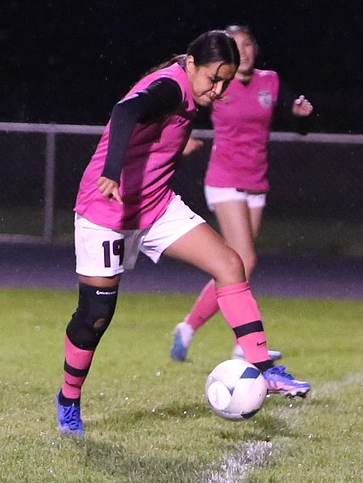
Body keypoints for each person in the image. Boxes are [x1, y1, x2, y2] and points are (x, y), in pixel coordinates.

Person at [56, 30, 310, 437]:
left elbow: (155, 127)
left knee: (231, 264)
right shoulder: (171, 87)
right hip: (108, 209)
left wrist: (177, 139)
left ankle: (265, 369)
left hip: (156, 206)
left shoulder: (191, 89)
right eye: (213, 78)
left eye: (225, 80)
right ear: (191, 64)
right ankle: (68, 399)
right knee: (96, 316)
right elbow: (125, 112)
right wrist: (110, 170)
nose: (219, 88)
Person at [170, 24, 314, 363]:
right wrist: (179, 138)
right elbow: (185, 104)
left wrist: (300, 116)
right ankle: (244, 343)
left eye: (248, 43)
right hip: (224, 178)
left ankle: (188, 327)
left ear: (256, 48)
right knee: (244, 260)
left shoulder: (271, 81)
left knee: (235, 266)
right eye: (236, 45)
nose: (244, 50)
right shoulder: (220, 80)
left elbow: (297, 122)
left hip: (256, 181)